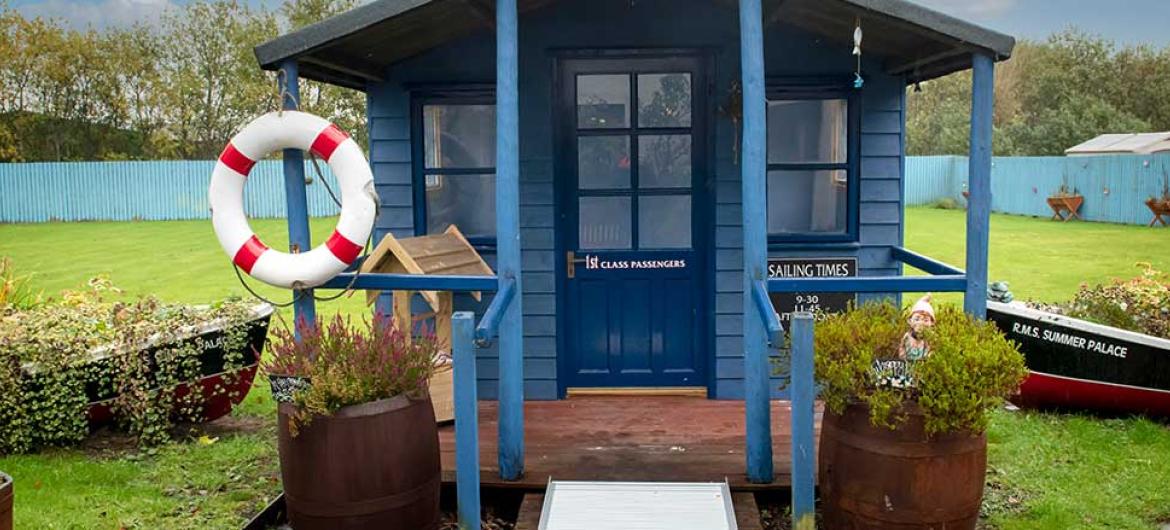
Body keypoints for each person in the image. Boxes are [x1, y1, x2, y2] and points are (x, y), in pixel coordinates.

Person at [898, 294, 935, 361]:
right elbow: (902, 352)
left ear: (931, 322)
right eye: (917, 319)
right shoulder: (907, 337)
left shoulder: (930, 339)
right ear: (910, 321)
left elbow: (932, 353)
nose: (920, 323)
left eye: (925, 320)